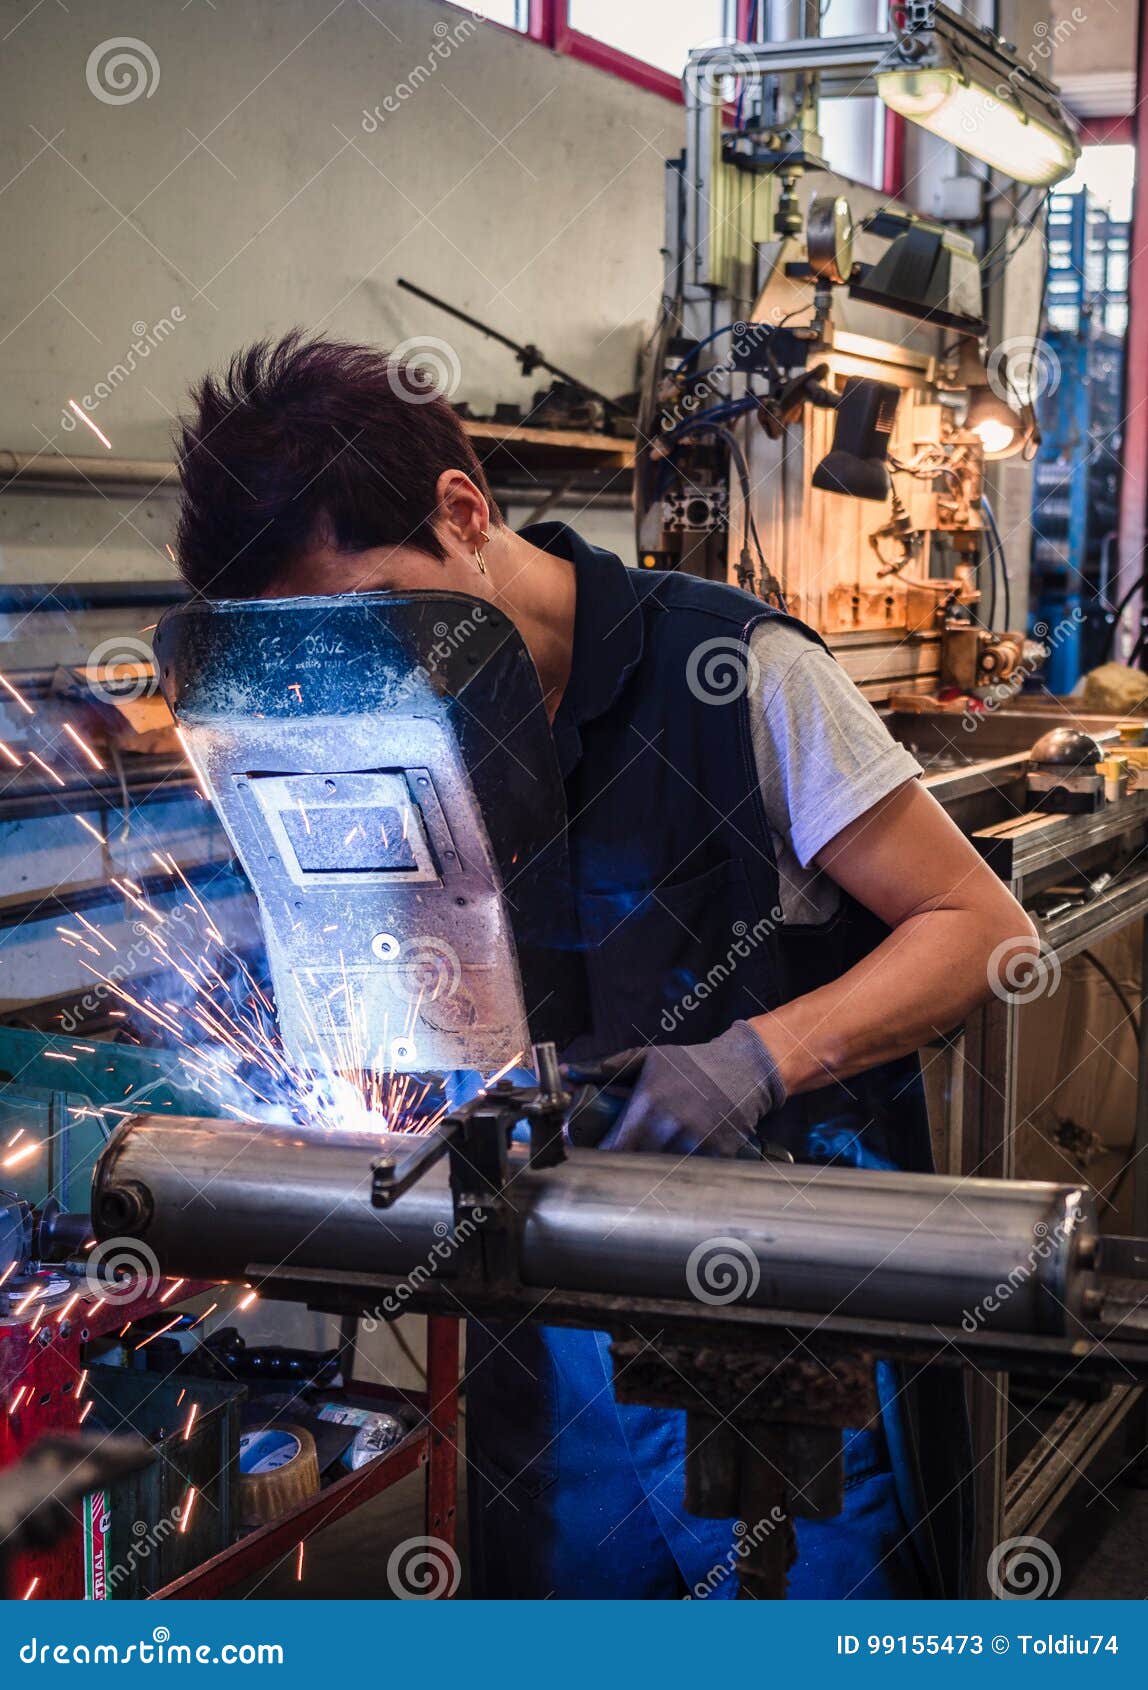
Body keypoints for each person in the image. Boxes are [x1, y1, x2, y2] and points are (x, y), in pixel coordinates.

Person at [174, 332, 1039, 1600]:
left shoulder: (734, 673)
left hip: (769, 1308)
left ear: (462, 515)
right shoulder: (376, 718)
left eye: (363, 619)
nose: (341, 675)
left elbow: (979, 929)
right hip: (548, 1318)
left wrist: (759, 1053)